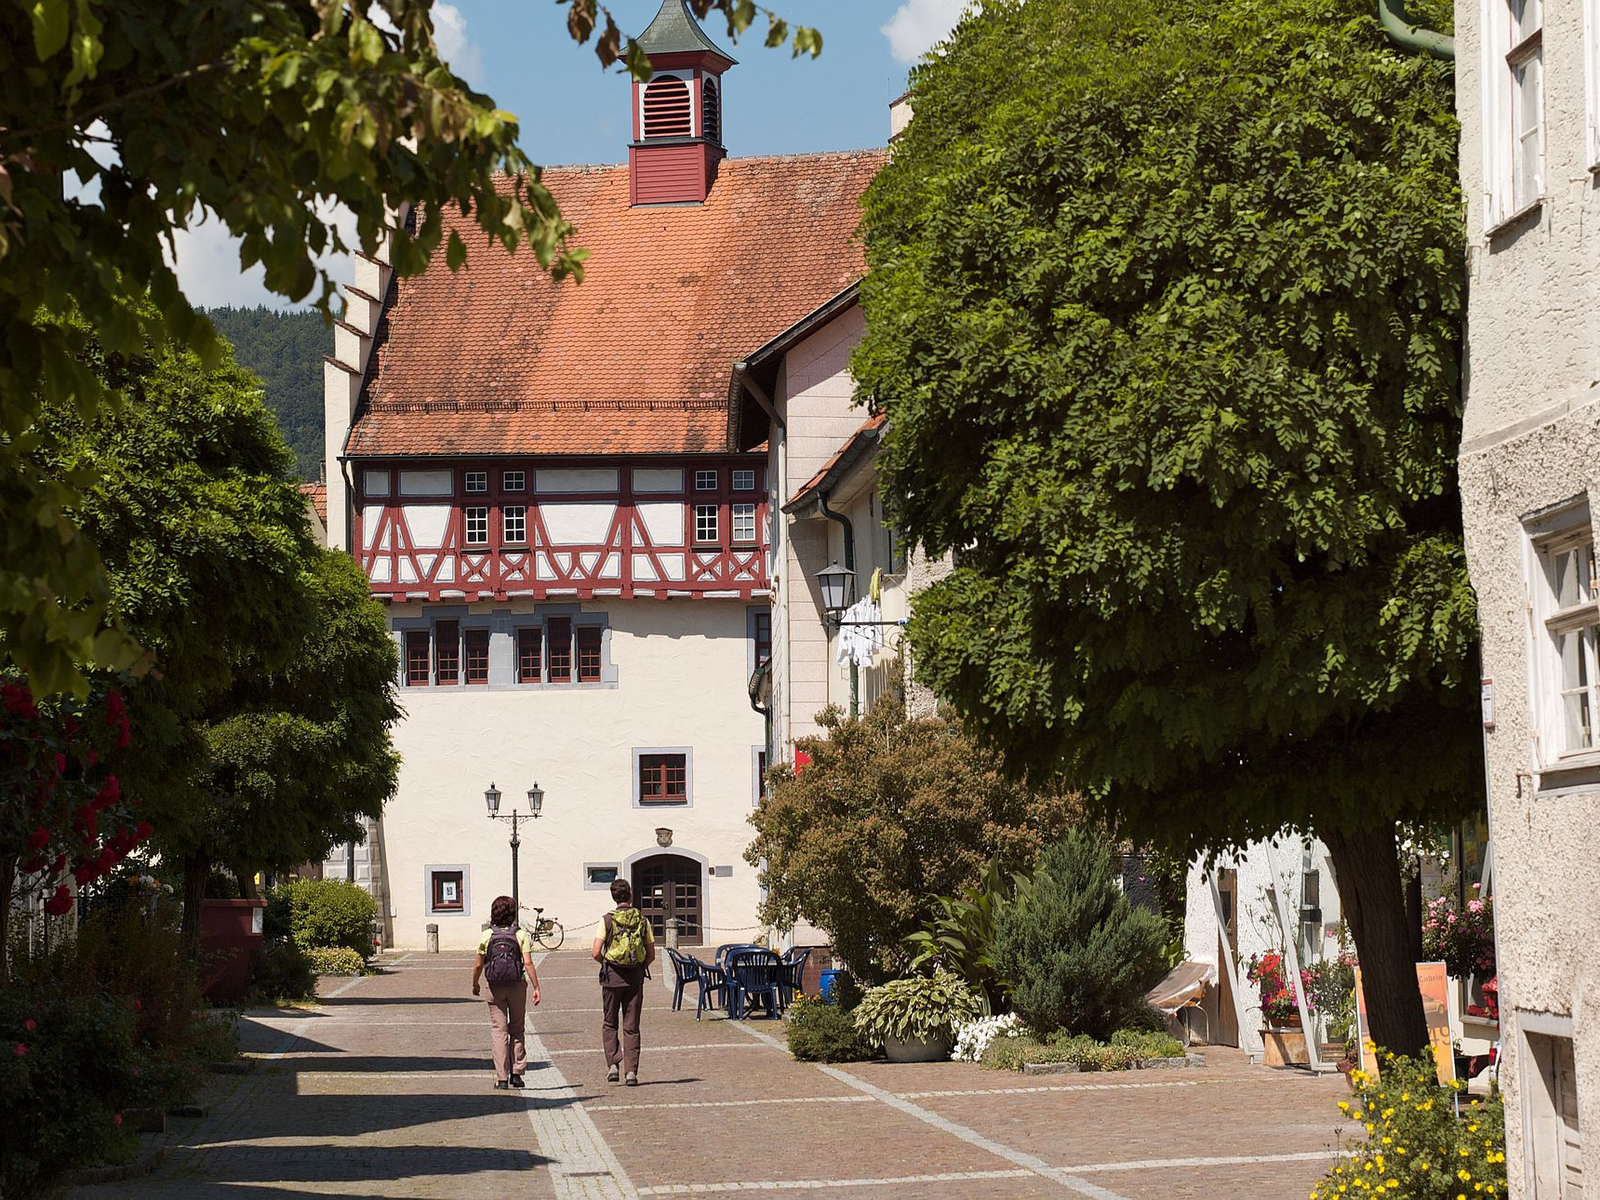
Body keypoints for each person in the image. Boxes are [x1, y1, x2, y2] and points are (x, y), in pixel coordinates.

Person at [472, 894, 541, 1089]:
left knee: (498, 1030)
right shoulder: (521, 935)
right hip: (517, 984)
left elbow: (478, 964)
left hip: (494, 986)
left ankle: (502, 1077)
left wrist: (475, 983)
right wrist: (536, 986)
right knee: (517, 1028)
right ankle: (517, 1074)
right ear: (512, 914)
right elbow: (528, 963)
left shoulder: (487, 935)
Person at [592, 878, 654, 1086]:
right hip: (634, 979)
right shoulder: (642, 920)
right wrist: (638, 966)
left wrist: (607, 963)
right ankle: (631, 1072)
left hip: (611, 978)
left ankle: (613, 1065)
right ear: (630, 895)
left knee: (610, 1023)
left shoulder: (606, 920)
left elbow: (595, 952)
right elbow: (651, 954)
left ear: (613, 897)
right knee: (632, 1026)